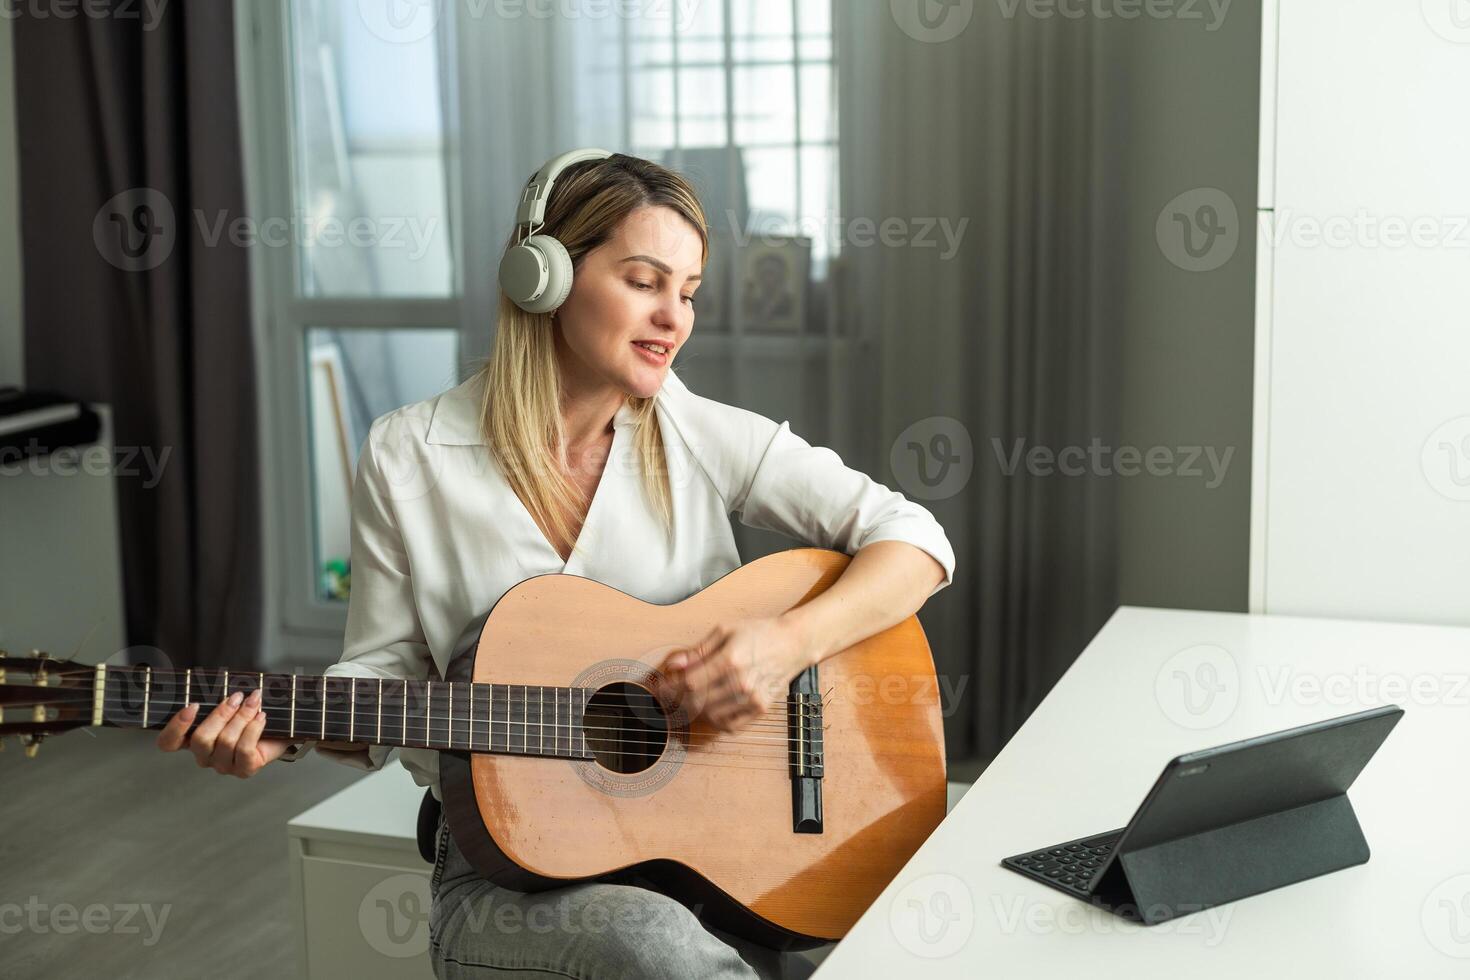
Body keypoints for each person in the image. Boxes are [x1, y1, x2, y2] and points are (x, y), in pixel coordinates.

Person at [156, 151, 956, 979]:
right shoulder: (410, 452)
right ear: (542, 275)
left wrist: (785, 646)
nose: (674, 318)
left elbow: (917, 542)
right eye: (645, 280)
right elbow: (386, 663)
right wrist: (280, 732)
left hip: (716, 853)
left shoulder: (697, 433)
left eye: (688, 292)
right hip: (507, 870)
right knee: (660, 952)